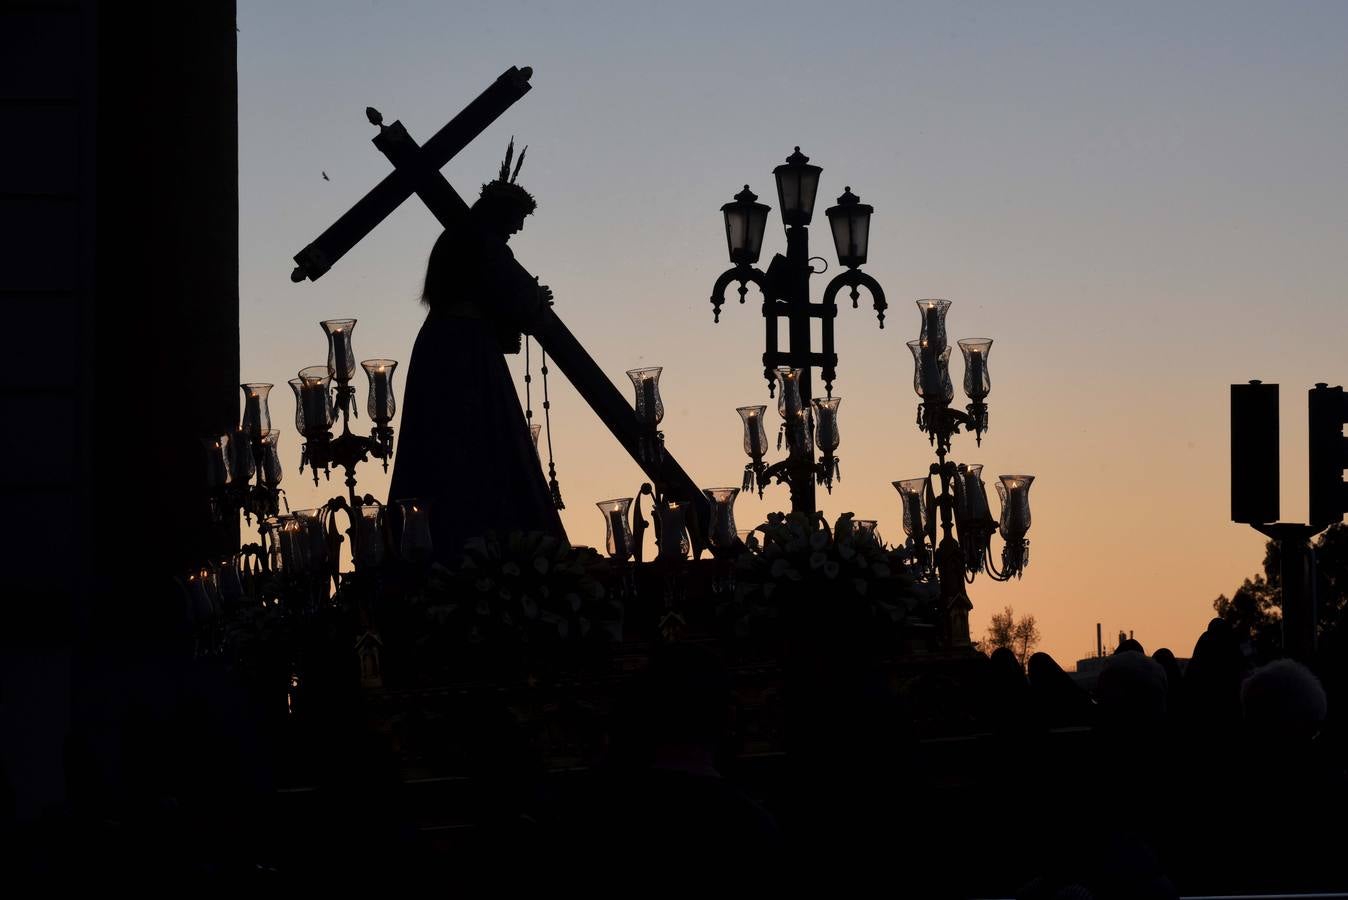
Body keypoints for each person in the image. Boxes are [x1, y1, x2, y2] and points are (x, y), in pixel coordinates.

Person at [388, 140, 566, 564]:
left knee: (442, 441)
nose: (517, 230)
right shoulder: (484, 245)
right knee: (482, 440)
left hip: (439, 348)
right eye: (516, 221)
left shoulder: (456, 240)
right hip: (468, 353)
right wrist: (537, 298)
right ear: (501, 213)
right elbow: (519, 299)